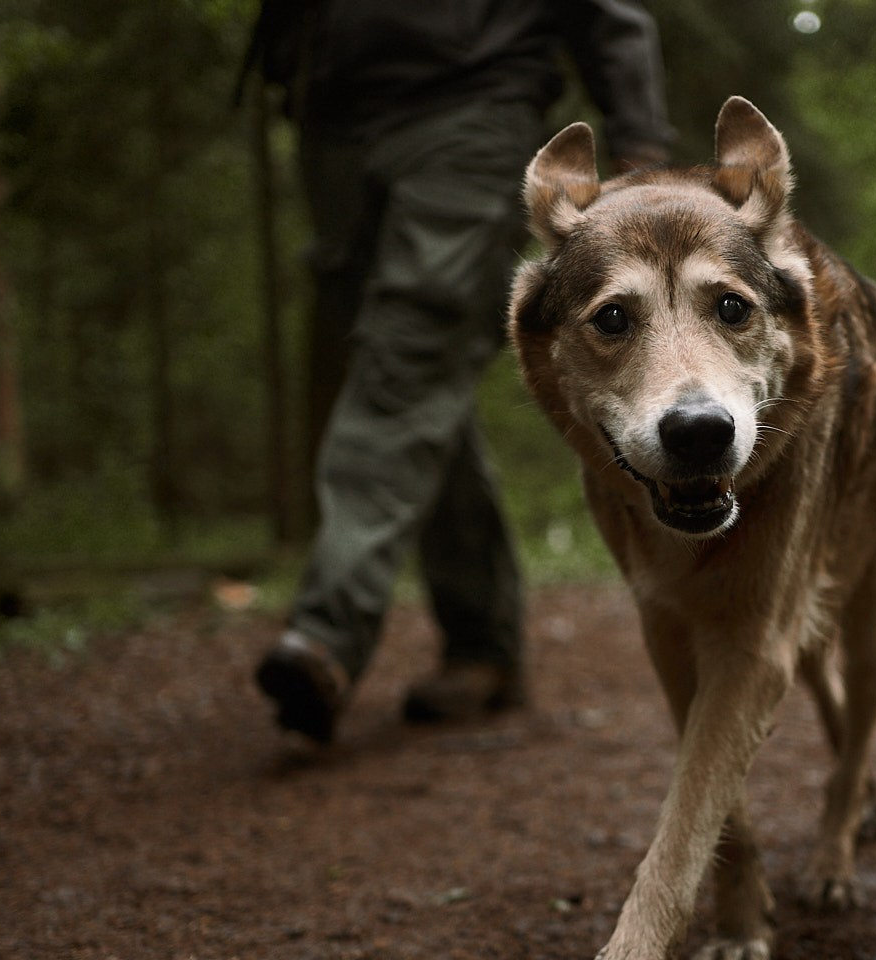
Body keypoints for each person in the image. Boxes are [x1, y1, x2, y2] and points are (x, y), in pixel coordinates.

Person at [244, 1, 672, 741]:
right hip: (332, 123)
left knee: (404, 365)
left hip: (471, 109)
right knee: (405, 380)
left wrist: (640, 144)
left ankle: (326, 635)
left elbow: (608, 12)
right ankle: (484, 644)